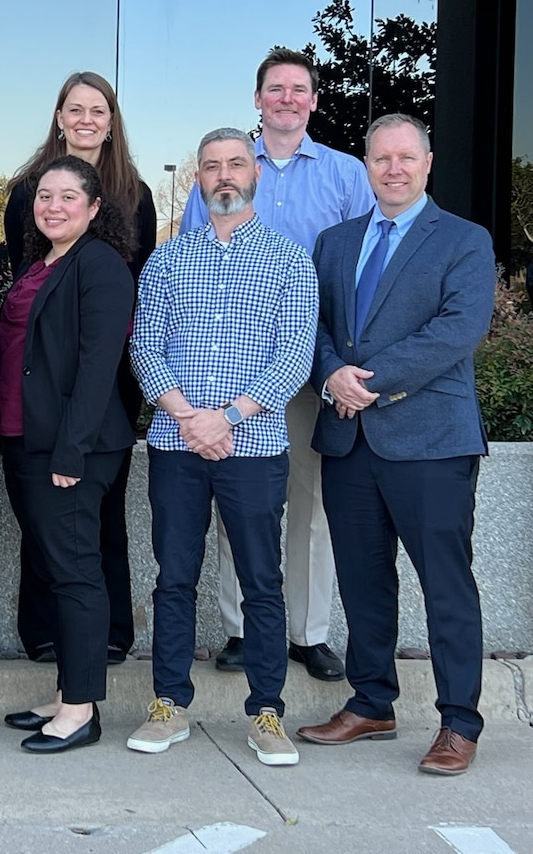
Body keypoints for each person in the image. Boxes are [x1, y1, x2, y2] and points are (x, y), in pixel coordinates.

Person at [296, 115, 494, 777]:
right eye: (381, 158)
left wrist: (368, 385)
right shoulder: (335, 241)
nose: (394, 169)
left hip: (431, 442)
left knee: (446, 587)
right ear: (367, 165)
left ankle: (459, 723)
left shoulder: (464, 241)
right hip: (349, 443)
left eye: (406, 157)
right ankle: (372, 701)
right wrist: (330, 374)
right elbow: (314, 323)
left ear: (427, 163)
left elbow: (456, 331)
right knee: (362, 581)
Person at [181, 48, 374, 682]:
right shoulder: (223, 170)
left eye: (299, 89)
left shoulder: (347, 175)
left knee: (310, 501)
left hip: (314, 364)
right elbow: (189, 263)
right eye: (275, 89)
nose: (287, 98)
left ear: (314, 101)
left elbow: (358, 274)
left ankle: (307, 632)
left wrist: (342, 362)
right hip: (234, 374)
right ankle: (239, 629)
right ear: (258, 99)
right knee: (242, 501)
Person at [128, 128, 316, 768]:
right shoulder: (167, 260)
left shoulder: (291, 261)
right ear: (197, 180)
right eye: (211, 166)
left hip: (255, 443)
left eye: (236, 163)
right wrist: (188, 416)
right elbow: (145, 349)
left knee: (263, 581)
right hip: (176, 442)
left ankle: (267, 712)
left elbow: (294, 357)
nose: (224, 175)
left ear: (255, 174)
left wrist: (228, 417)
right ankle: (169, 705)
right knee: (173, 578)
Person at [3, 71, 156, 667]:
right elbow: (25, 283)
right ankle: (46, 635)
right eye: (75, 108)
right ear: (59, 117)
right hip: (36, 383)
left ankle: (105, 639)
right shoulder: (26, 190)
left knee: (94, 524)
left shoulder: (135, 193)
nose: (86, 119)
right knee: (47, 530)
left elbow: (127, 296)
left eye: (98, 109)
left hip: (103, 376)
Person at [0, 157, 134, 755]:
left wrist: (71, 452)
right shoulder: (38, 263)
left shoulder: (100, 266)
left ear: (94, 207)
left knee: (76, 571)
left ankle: (81, 709)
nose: (53, 205)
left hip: (70, 448)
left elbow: (100, 365)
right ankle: (64, 694)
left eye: (67, 197)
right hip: (28, 438)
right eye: (44, 196)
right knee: (55, 567)